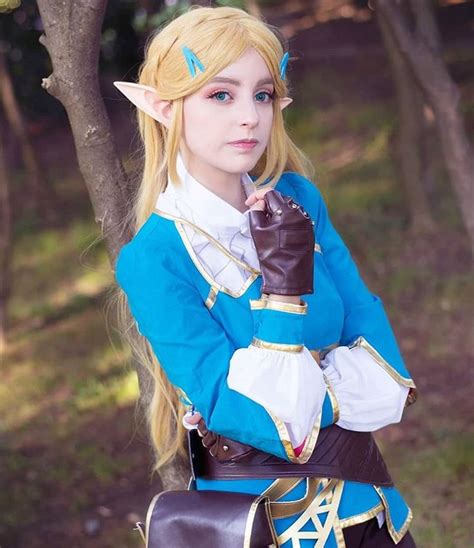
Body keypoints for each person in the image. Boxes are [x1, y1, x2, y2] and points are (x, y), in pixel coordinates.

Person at [112, 5, 418, 546]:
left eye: (263, 94)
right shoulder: (152, 260)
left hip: (373, 511)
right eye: (221, 95)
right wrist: (283, 294)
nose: (249, 116)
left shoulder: (300, 201)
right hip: (264, 529)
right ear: (164, 107)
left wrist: (305, 396)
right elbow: (257, 418)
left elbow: (387, 381)